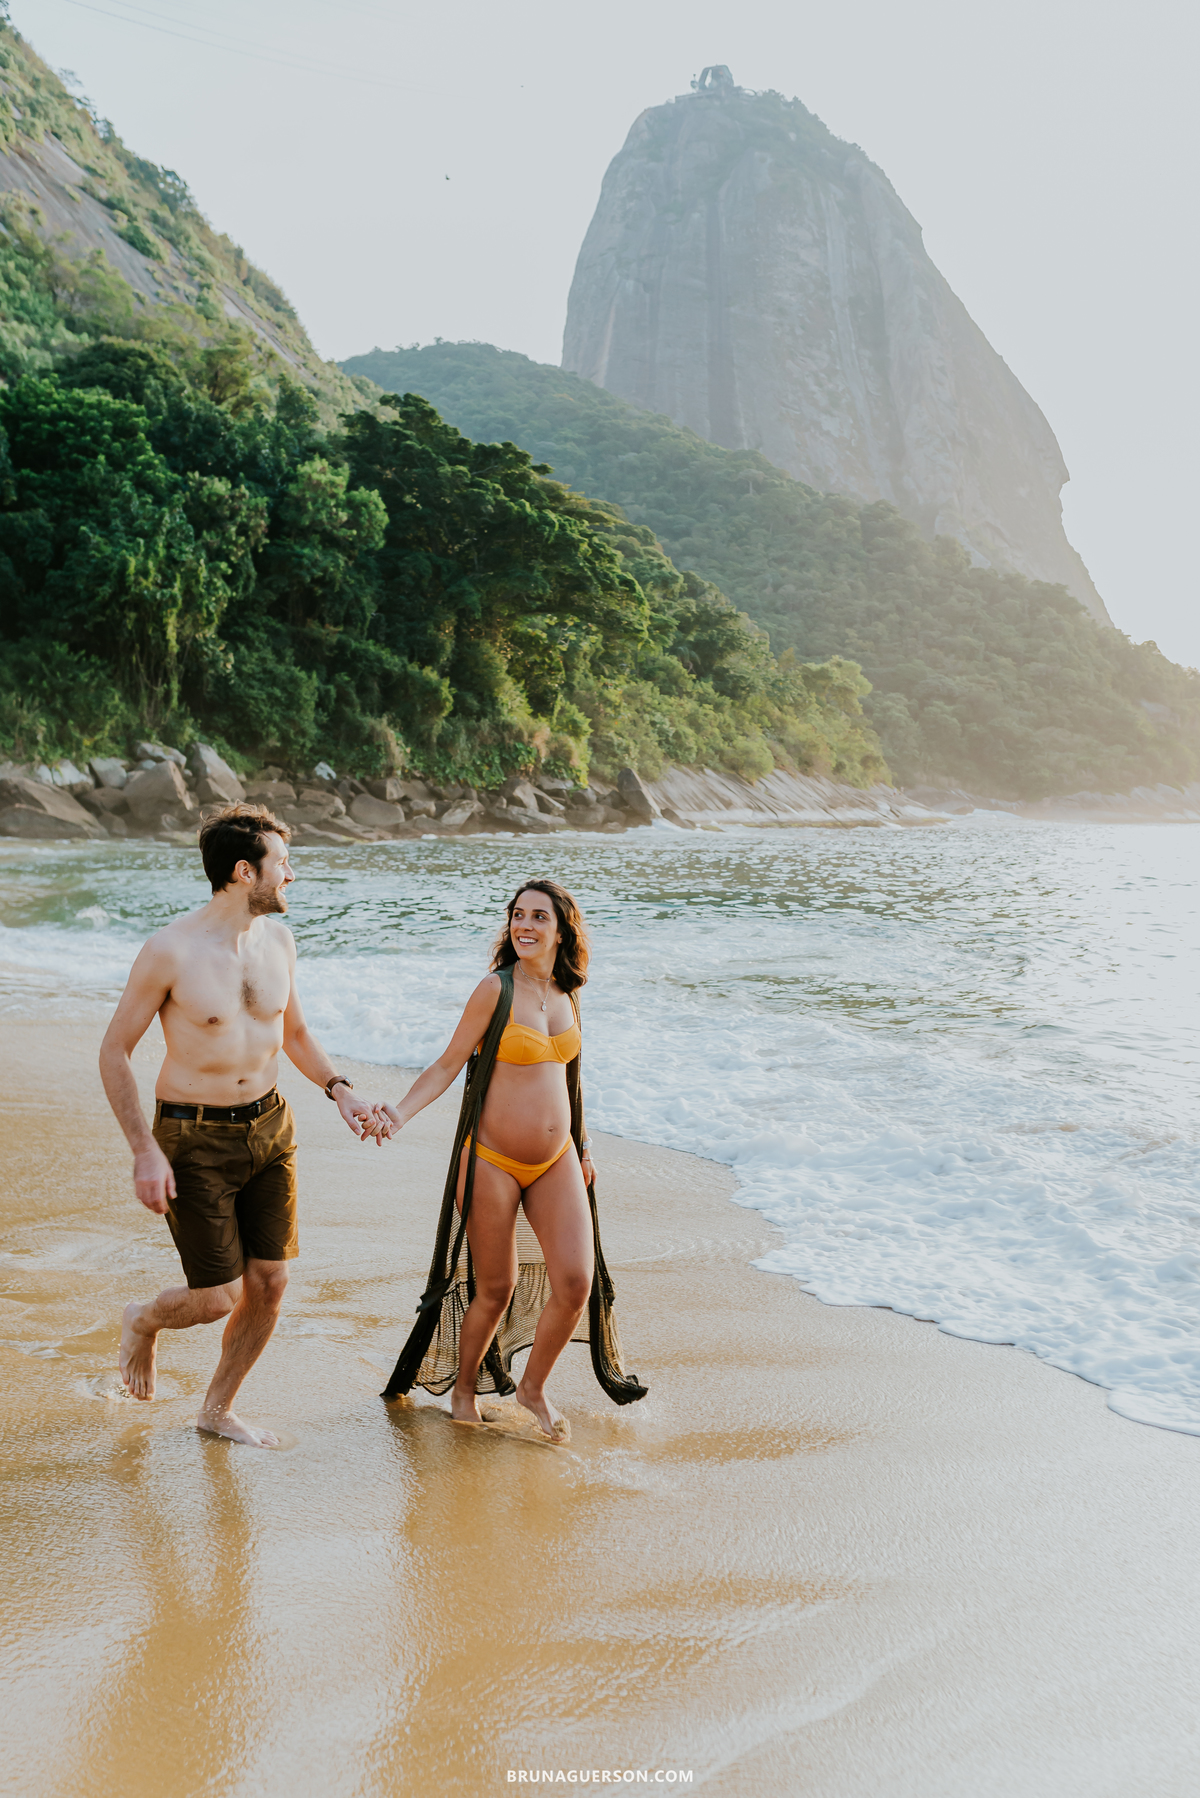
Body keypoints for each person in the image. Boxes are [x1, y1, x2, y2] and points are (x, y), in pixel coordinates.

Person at [99, 802, 391, 1448]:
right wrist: (144, 1151)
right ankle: (143, 1321)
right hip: (192, 1135)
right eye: (282, 864)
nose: (292, 876)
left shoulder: (279, 942)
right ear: (242, 873)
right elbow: (114, 1051)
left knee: (270, 1282)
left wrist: (339, 1089)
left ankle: (216, 1410)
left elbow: (294, 1031)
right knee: (215, 1298)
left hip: (270, 1127)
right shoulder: (170, 951)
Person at [377, 878, 646, 1438]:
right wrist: (400, 1112)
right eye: (517, 915)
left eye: (538, 917)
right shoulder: (494, 990)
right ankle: (465, 1387)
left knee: (575, 1282)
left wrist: (585, 1145)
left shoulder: (569, 993)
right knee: (495, 1286)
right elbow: (450, 1063)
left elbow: (571, 1080)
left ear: (561, 929)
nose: (524, 925)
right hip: (492, 1160)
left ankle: (532, 1388)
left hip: (557, 1158)